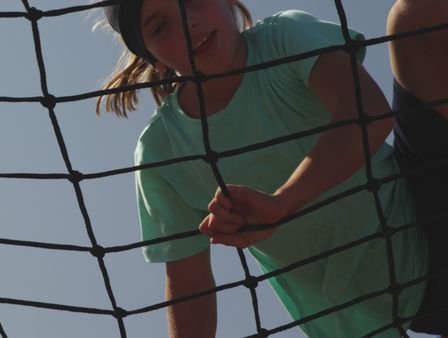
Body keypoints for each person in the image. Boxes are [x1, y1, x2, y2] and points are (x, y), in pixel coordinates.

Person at [95, 0, 440, 337]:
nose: (188, 23)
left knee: (418, 12)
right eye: (160, 26)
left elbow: (367, 112)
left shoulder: (283, 36)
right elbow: (189, 283)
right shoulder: (163, 149)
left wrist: (282, 202)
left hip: (426, 205)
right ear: (152, 58)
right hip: (379, 308)